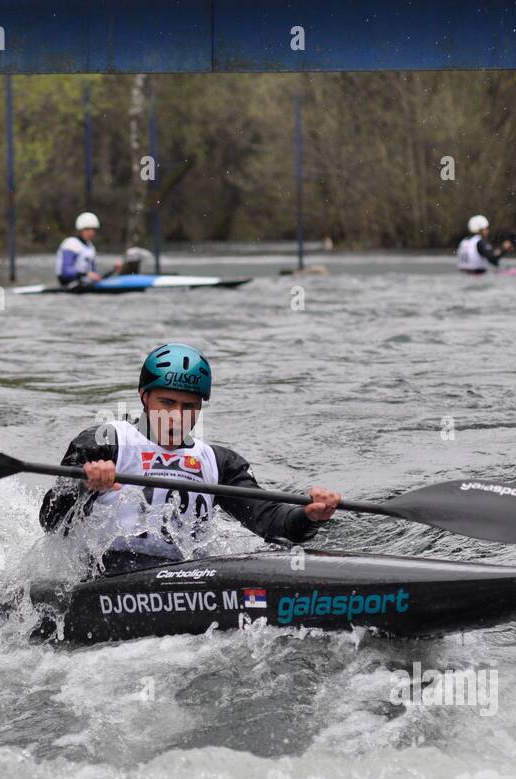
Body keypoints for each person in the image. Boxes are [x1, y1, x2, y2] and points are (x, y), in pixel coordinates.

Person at [39, 343, 342, 574]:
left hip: (183, 574)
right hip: (103, 574)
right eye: (166, 402)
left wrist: (309, 515)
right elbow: (50, 520)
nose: (176, 416)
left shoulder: (218, 462)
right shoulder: (105, 442)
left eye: (188, 407)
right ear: (145, 397)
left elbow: (273, 522)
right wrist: (85, 487)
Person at [55, 212, 123, 289]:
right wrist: (85, 274)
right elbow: (66, 272)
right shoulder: (70, 243)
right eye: (87, 229)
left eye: (93, 230)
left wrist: (113, 270)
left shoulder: (91, 247)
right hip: (69, 284)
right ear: (80, 230)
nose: (91, 233)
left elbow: (95, 276)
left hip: (85, 284)